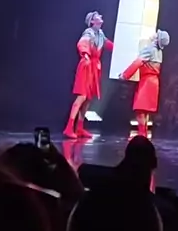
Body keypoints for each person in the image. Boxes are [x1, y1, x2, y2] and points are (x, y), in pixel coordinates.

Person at [64, 11, 113, 139]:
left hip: (94, 67)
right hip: (86, 65)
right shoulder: (89, 33)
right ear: (92, 21)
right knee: (82, 96)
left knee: (88, 98)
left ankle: (79, 128)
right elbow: (82, 44)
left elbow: (107, 44)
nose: (101, 17)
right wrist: (85, 54)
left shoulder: (100, 34)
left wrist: (119, 48)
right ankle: (69, 127)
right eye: (98, 16)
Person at [120, 29, 170, 137]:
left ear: (157, 39)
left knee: (140, 110)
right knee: (145, 110)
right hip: (154, 82)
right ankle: (144, 133)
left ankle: (142, 134)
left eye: (157, 34)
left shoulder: (150, 49)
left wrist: (125, 75)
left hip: (147, 82)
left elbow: (137, 63)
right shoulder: (159, 52)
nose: (154, 34)